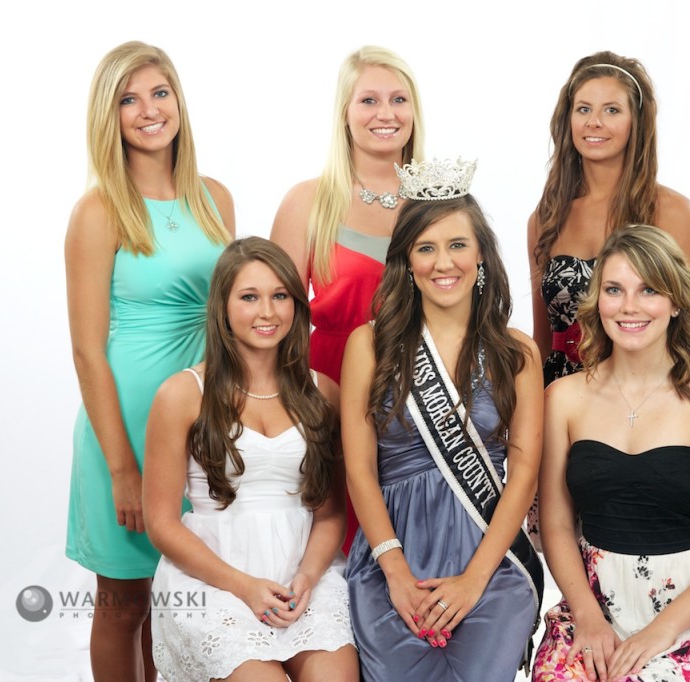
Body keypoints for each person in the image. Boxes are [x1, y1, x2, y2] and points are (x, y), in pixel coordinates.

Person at [64, 41, 234, 680]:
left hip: (200, 420)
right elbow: (86, 350)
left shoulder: (215, 198)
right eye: (128, 99)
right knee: (125, 602)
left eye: (159, 93)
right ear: (110, 117)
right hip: (127, 424)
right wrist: (121, 469)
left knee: (183, 600)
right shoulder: (100, 209)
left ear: (179, 103)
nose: (148, 110)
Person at [342, 159, 544, 681]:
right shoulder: (369, 345)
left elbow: (524, 471)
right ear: (406, 261)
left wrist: (475, 580)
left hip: (489, 560)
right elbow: (360, 469)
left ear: (481, 255)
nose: (442, 262)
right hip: (393, 561)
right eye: (425, 248)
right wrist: (395, 572)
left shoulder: (518, 351)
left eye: (457, 245)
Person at [534, 225, 690, 681]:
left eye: (649, 290)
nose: (630, 306)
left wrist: (661, 632)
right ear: (598, 301)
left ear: (676, 302)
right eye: (614, 290)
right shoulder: (563, 398)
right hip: (594, 599)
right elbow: (555, 524)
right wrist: (587, 615)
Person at [144, 237, 358, 681]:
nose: (267, 312)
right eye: (249, 297)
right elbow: (161, 523)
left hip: (303, 573)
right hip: (214, 577)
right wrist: (243, 587)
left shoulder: (324, 395)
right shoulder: (182, 395)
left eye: (280, 295)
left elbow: (331, 512)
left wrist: (307, 577)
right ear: (222, 306)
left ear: (297, 305)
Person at [271, 45, 426, 553]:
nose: (386, 114)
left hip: (423, 390)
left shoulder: (440, 203)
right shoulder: (308, 201)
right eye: (368, 100)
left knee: (413, 539)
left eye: (399, 99)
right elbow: (272, 321)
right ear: (345, 113)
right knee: (332, 541)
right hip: (329, 386)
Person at [528, 51, 690, 387]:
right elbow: (542, 338)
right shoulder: (546, 216)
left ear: (635, 121)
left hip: (650, 396)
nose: (594, 122)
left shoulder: (674, 212)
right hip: (560, 395)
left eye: (611, 109)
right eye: (584, 109)